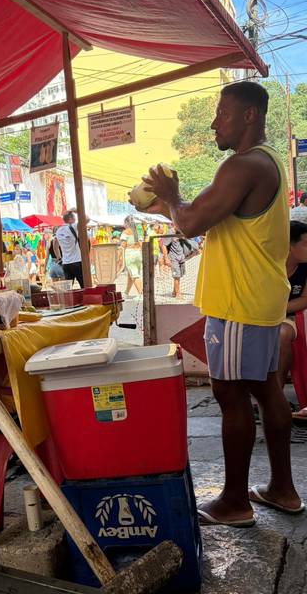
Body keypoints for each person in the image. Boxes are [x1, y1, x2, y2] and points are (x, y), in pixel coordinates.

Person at [133, 81, 303, 525]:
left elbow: (188, 221)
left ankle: (234, 501)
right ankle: (282, 489)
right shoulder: (266, 164)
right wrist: (166, 206)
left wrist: (171, 197)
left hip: (238, 304)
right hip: (259, 299)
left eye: (221, 113)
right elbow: (211, 222)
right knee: (267, 390)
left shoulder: (242, 166)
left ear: (249, 116)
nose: (214, 123)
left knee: (230, 396)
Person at [278, 221, 307, 391]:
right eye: (306, 244)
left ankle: (276, 394)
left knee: (281, 335)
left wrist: (277, 311)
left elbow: (305, 298)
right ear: (289, 246)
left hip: (288, 317)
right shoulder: (268, 267)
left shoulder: (305, 267)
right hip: (256, 317)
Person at [54, 209, 89, 288]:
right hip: (77, 261)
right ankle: (84, 300)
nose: (75, 220)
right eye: (74, 218)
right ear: (70, 219)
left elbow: (55, 246)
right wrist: (77, 210)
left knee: (68, 289)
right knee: (84, 286)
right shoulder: (73, 227)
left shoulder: (58, 231)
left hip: (66, 263)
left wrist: (59, 258)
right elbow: (87, 219)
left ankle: (69, 300)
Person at [120, 216, 142, 297]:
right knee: (131, 274)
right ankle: (126, 293)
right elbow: (141, 244)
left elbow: (123, 246)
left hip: (129, 253)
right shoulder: (136, 232)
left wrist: (120, 257)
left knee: (134, 274)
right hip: (138, 253)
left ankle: (141, 293)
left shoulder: (125, 232)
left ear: (126, 223)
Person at [161, 230, 186, 300]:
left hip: (181, 259)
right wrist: (166, 258)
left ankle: (174, 292)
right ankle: (178, 294)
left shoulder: (181, 231)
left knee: (178, 276)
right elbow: (163, 245)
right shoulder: (170, 232)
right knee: (176, 276)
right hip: (173, 259)